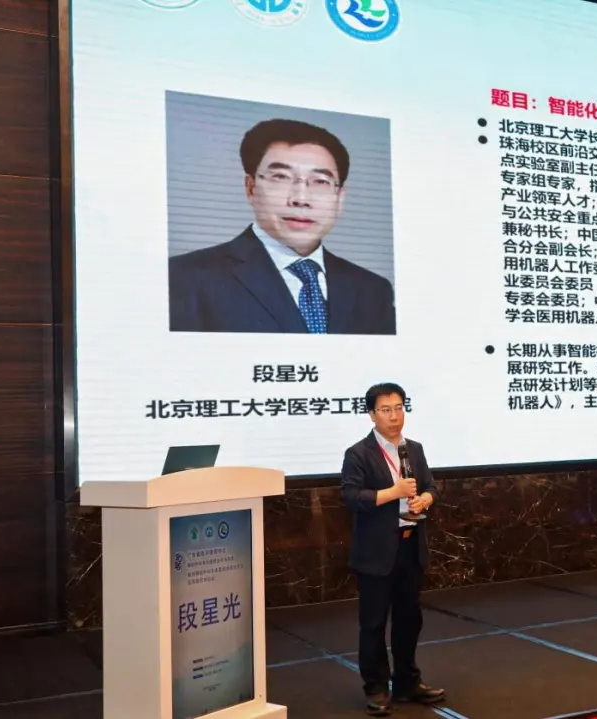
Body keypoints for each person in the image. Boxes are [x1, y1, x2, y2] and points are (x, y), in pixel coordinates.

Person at [168, 118, 396, 335]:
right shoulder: (185, 278)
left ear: (340, 197)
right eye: (281, 177)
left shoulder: (374, 290)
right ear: (251, 187)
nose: (301, 199)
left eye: (320, 181)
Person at [340, 383, 445, 716]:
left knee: (409, 619)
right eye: (386, 410)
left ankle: (407, 683)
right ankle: (376, 688)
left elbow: (431, 486)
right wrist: (393, 492)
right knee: (373, 625)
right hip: (376, 552)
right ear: (372, 414)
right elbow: (351, 497)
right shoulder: (358, 453)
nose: (394, 416)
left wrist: (425, 498)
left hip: (411, 546)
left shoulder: (414, 449)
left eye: (399, 408)